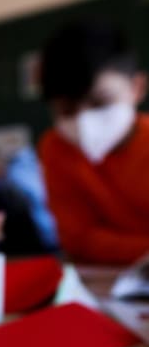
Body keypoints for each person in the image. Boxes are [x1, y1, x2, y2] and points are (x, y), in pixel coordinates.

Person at [39, 20, 149, 264]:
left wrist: (106, 245)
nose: (83, 120)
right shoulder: (56, 148)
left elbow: (88, 241)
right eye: (67, 109)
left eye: (101, 102)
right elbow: (77, 240)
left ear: (137, 88)